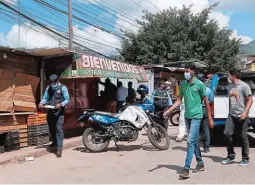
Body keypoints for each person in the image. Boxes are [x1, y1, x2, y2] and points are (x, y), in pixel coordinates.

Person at [163, 63, 214, 179]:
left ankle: (186, 169)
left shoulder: (200, 85)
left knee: (190, 141)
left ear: (193, 72)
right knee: (194, 141)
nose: (185, 73)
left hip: (197, 116)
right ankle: (200, 163)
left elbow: (206, 102)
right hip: (187, 116)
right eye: (184, 71)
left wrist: (210, 118)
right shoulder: (184, 84)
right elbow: (179, 100)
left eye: (187, 71)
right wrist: (169, 110)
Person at [221, 69, 253, 166]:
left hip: (242, 115)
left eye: (229, 75)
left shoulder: (244, 86)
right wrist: (230, 112)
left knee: (242, 137)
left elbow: (250, 100)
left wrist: (245, 112)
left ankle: (245, 158)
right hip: (231, 115)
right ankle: (231, 155)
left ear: (233, 76)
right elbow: (231, 100)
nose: (228, 77)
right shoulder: (230, 86)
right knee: (227, 134)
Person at [38, 74, 69, 158]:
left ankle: (59, 149)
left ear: (57, 81)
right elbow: (45, 98)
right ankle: (55, 143)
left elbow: (67, 99)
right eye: (51, 82)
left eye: (54, 82)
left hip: (59, 112)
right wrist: (42, 103)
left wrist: (61, 104)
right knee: (51, 128)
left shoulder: (63, 88)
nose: (53, 84)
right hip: (50, 111)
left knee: (59, 129)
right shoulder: (49, 88)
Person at [197, 73, 214, 153]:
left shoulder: (195, 89)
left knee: (196, 128)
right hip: (205, 109)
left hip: (197, 109)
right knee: (205, 129)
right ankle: (206, 147)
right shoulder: (208, 90)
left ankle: (195, 147)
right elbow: (210, 101)